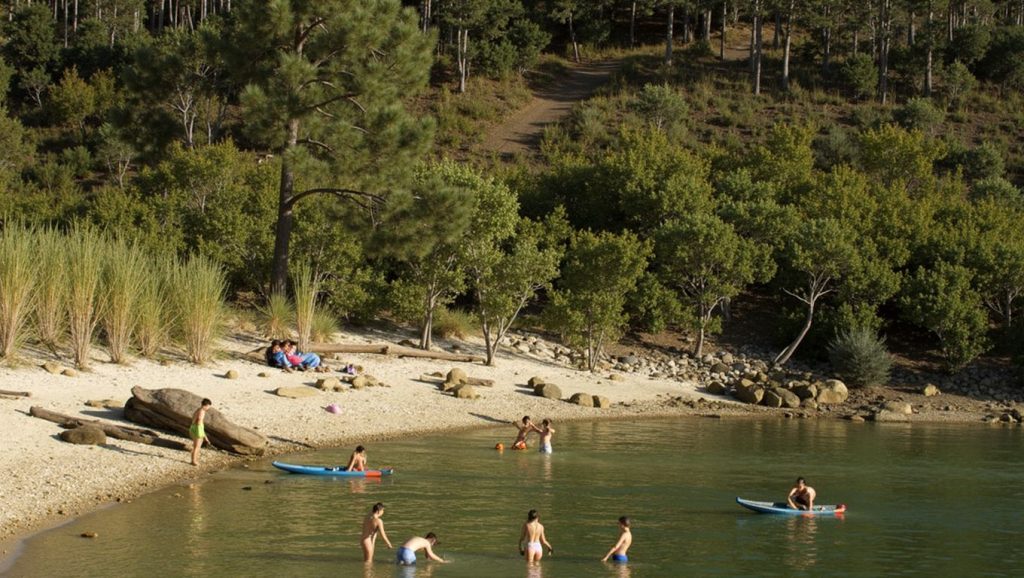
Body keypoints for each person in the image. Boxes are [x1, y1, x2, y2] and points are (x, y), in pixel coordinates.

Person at [189, 398, 212, 466]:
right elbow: (199, 420)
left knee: (196, 446)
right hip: (198, 428)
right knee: (197, 447)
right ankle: (194, 461)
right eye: (209, 406)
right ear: (207, 405)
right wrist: (203, 434)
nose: (208, 408)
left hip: (194, 427)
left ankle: (194, 460)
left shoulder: (198, 410)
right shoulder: (202, 411)